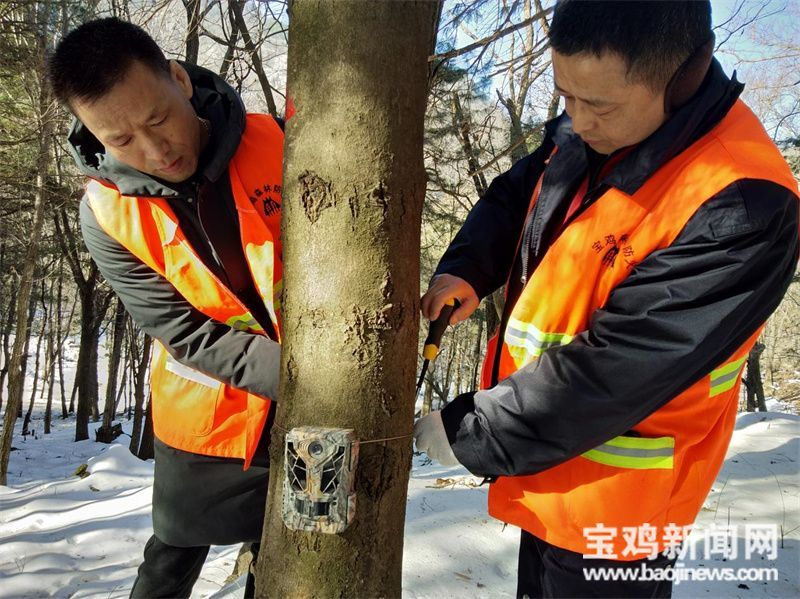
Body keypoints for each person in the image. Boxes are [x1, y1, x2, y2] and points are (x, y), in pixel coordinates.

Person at [414, 1, 799, 597]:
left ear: (683, 80)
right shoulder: (595, 123)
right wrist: (467, 268)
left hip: (622, 510)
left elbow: (620, 366)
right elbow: (523, 192)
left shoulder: (743, 203)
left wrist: (473, 429)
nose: (577, 120)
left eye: (597, 105)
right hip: (544, 462)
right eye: (565, 95)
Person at [48, 18, 285, 597]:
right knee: (171, 557)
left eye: (158, 120)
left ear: (179, 79)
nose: (155, 151)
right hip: (206, 414)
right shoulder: (105, 214)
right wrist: (303, 373)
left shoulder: (278, 139)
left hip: (307, 407)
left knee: (284, 552)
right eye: (121, 140)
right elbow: (186, 331)